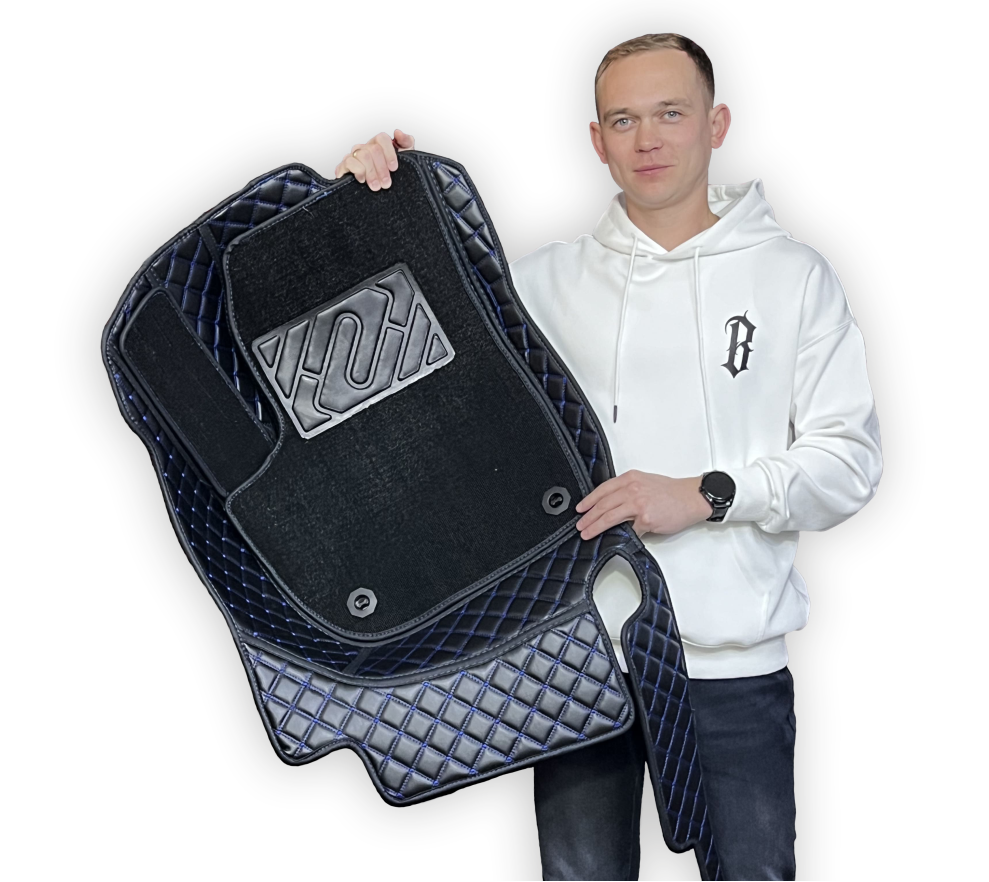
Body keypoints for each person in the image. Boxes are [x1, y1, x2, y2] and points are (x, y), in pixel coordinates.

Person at [334, 33, 882, 881]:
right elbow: (397, 363)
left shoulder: (794, 277)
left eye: (670, 113)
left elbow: (849, 463)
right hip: (575, 657)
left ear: (716, 125)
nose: (646, 139)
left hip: (733, 668)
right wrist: (365, 202)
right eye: (623, 120)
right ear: (596, 140)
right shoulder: (540, 284)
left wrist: (706, 493)